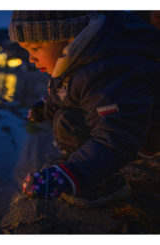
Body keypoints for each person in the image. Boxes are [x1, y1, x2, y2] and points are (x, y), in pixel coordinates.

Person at [8, 11, 160, 208]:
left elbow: (118, 135)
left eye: (35, 48)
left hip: (144, 132)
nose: (31, 58)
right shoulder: (78, 61)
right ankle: (77, 164)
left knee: (68, 120)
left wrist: (73, 175)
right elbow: (65, 93)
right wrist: (45, 108)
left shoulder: (108, 71)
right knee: (65, 117)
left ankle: (102, 184)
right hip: (127, 125)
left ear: (70, 36)